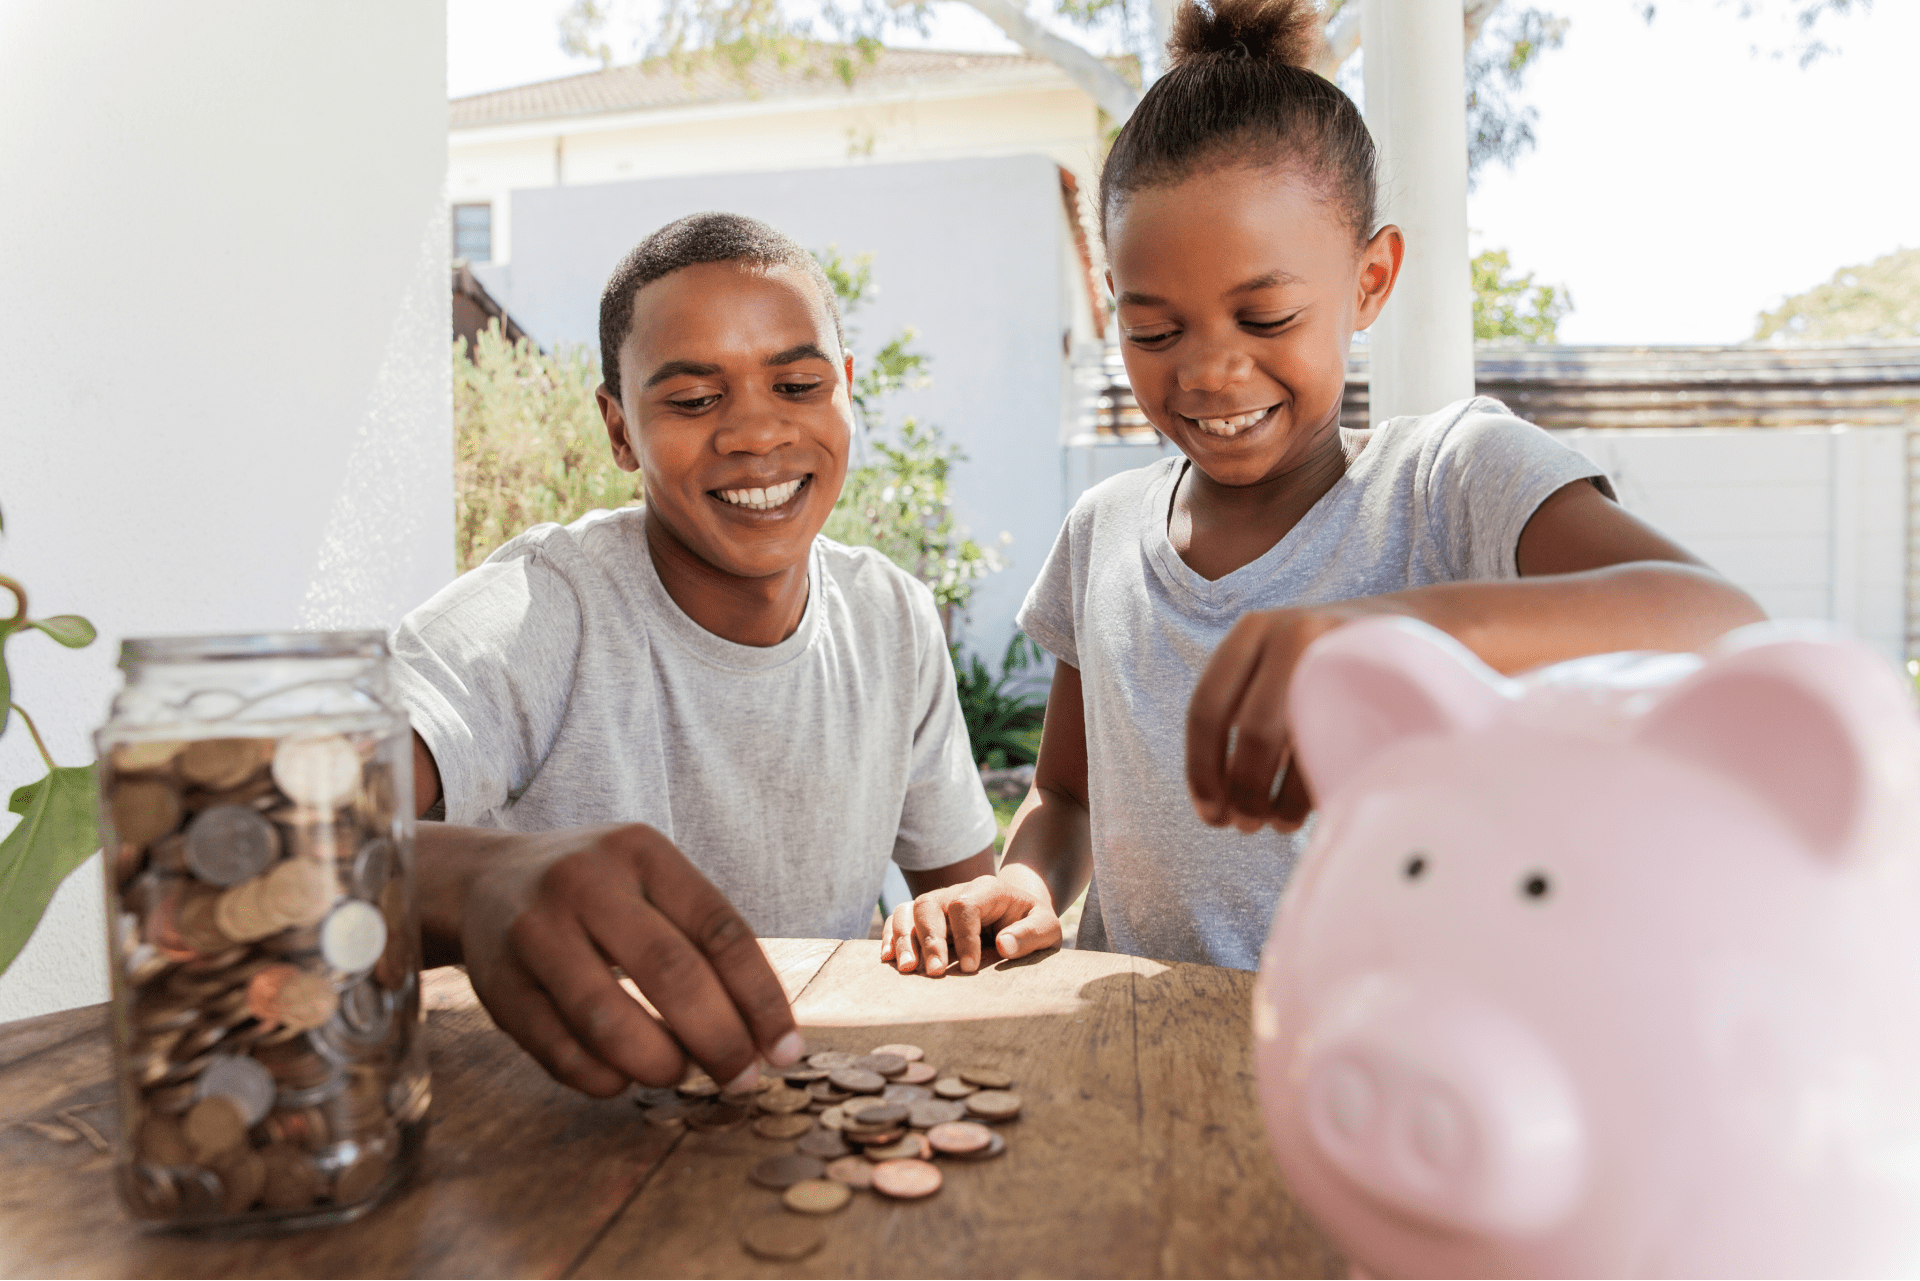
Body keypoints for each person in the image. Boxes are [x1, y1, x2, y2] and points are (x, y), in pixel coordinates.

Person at [880, 0, 1765, 976]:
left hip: (1377, 1078)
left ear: (1371, 279)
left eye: (1265, 318)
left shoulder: (1446, 485)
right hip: (1135, 1073)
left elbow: (1724, 626)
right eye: (1155, 331)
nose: (1210, 372)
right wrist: (1030, 880)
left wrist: (1391, 627)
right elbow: (1069, 795)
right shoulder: (1105, 531)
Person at [398, 213, 999, 1096]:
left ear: (848, 392)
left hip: (799, 1113)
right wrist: (478, 879)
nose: (757, 433)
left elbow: (965, 902)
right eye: (691, 400)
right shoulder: (537, 613)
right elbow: (269, 839)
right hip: (560, 1139)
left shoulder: (893, 619)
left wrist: (960, 916)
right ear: (618, 429)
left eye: (798, 385)